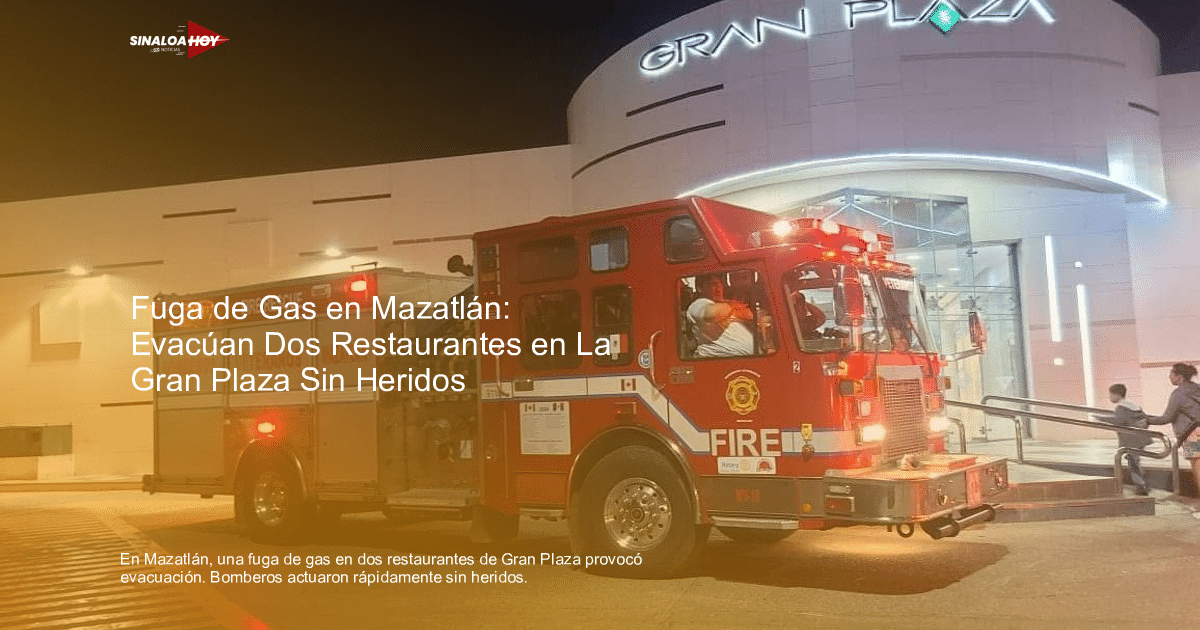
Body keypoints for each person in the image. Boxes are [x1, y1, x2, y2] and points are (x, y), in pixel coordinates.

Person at [1144, 363, 1200, 504]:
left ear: (1179, 377)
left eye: (1171, 374)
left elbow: (1167, 418)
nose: (1169, 377)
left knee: (1198, 468)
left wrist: (1147, 420)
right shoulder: (1197, 389)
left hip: (1193, 434)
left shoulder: (1178, 394)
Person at [686, 274, 754, 358]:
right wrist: (732, 305)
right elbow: (711, 314)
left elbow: (749, 315)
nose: (718, 287)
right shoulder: (699, 303)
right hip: (718, 361)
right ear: (700, 288)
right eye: (713, 284)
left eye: (720, 284)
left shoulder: (723, 305)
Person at [1104, 383, 1151, 496]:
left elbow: (1118, 421)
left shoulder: (1121, 408)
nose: (1110, 397)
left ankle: (1141, 486)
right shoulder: (1134, 406)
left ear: (1116, 395)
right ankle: (1142, 484)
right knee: (1135, 461)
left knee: (1133, 463)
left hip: (1130, 440)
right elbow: (1146, 420)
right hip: (1140, 438)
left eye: (1110, 395)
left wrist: (1100, 418)